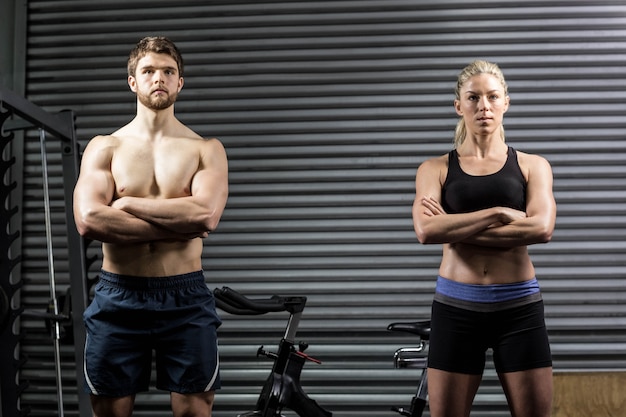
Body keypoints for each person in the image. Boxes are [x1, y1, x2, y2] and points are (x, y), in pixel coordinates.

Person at [73, 36, 228, 417]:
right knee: (110, 411)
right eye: (148, 71)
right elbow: (89, 219)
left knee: (194, 411)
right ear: (133, 81)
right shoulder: (104, 147)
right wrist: (179, 224)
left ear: (180, 83)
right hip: (118, 295)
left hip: (186, 296)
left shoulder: (205, 149)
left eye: (168, 71)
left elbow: (206, 216)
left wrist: (125, 204)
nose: (158, 78)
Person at [412, 60, 556, 417]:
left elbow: (541, 229)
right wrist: (498, 213)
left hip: (519, 309)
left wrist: (456, 227)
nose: (483, 106)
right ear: (458, 106)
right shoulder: (435, 169)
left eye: (492, 97)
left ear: (506, 101)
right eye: (473, 98)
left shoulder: (532, 165)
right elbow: (427, 230)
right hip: (456, 309)